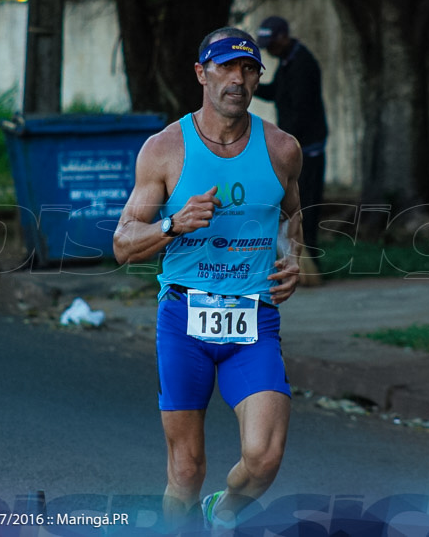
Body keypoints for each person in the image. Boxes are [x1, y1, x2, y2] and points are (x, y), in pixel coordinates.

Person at [113, 26, 303, 530]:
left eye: (248, 69)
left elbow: (290, 215)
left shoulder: (282, 149)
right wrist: (173, 223)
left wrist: (294, 258)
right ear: (201, 73)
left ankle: (223, 513)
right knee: (186, 469)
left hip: (253, 320)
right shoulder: (164, 149)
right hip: (184, 320)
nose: (237, 79)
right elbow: (123, 242)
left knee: (264, 458)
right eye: (225, 67)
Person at [254, 16, 327, 259]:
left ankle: (308, 261)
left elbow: (300, 112)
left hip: (307, 149)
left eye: (272, 44)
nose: (270, 51)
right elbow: (278, 93)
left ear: (284, 37)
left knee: (305, 206)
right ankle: (297, 259)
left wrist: (280, 145)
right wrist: (253, 86)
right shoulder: (287, 60)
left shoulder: (302, 63)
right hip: (296, 146)